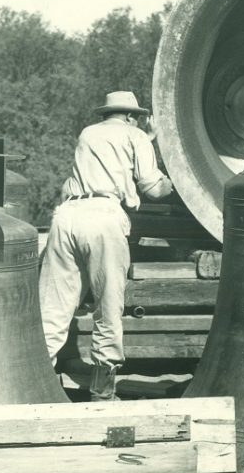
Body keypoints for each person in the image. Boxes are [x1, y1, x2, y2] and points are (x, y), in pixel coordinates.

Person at [38, 90, 174, 400]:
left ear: (107, 113)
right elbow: (152, 188)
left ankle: (39, 383)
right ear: (131, 116)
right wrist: (176, 183)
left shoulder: (88, 134)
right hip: (103, 217)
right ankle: (102, 388)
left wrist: (144, 140)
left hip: (67, 215)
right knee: (108, 304)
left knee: (54, 306)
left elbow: (110, 159)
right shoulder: (135, 135)